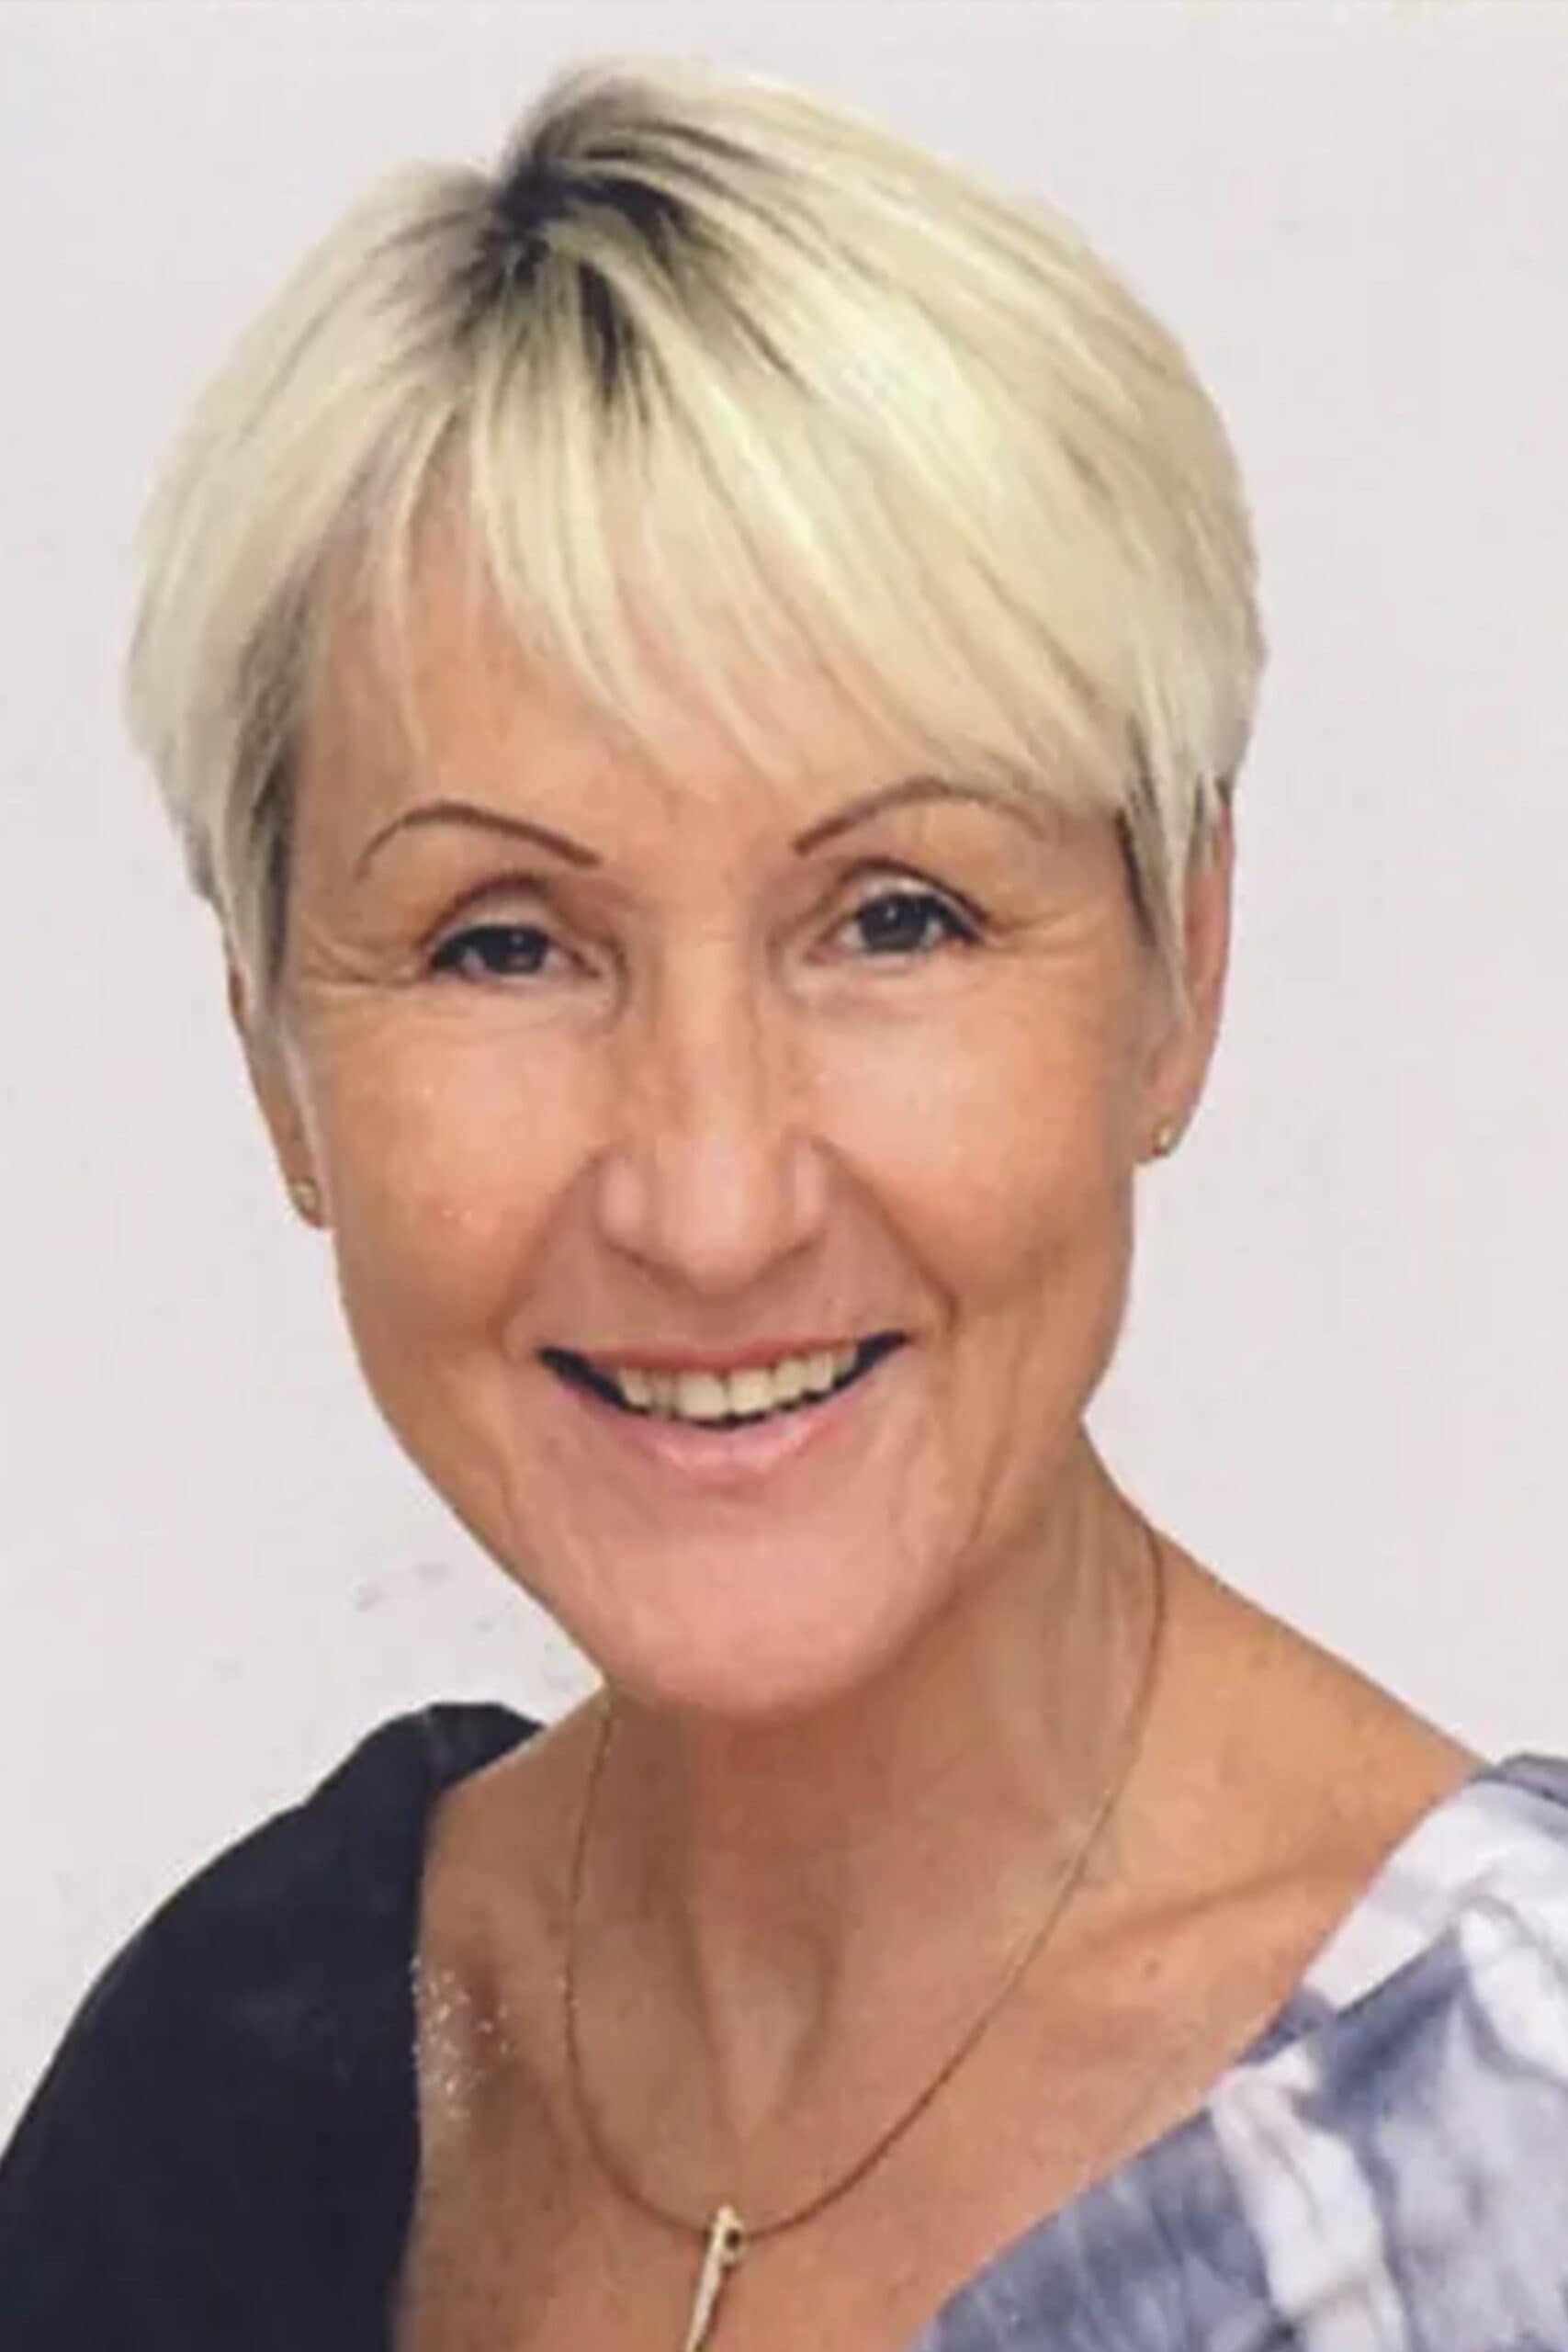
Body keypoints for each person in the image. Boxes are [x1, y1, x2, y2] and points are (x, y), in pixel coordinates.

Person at [4, 50, 1567, 2352]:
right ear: (274, 1058)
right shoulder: (234, 2085)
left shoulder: (1514, 2149)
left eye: (895, 915)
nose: (712, 1199)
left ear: (1180, 967)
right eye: (503, 942)